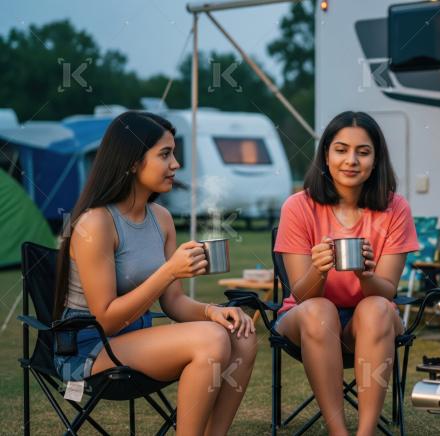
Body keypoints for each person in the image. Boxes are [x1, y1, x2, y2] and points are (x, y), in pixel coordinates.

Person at [53, 111, 258, 436]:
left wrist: (214, 312)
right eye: (165, 154)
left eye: (173, 153)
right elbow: (104, 319)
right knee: (211, 340)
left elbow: (173, 302)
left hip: (139, 338)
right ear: (133, 161)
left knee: (241, 337)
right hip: (89, 347)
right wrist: (168, 271)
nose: (176, 164)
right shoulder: (96, 224)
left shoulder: (160, 218)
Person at [274, 111, 419, 435]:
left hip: (367, 323)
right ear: (326, 154)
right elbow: (301, 295)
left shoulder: (395, 209)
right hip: (308, 317)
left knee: (377, 309)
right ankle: (339, 432)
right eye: (341, 149)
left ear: (376, 158)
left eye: (363, 152)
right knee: (318, 309)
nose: (351, 160)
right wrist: (319, 270)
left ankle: (365, 432)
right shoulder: (298, 207)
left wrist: (366, 274)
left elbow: (387, 292)